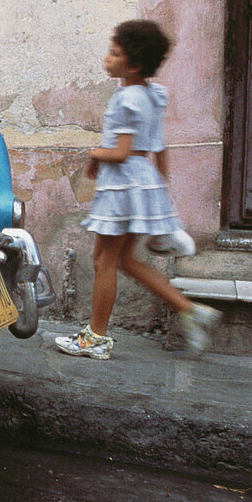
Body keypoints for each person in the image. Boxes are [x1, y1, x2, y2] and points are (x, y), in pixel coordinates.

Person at [55, 20, 221, 360]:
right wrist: (159, 189)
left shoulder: (127, 98)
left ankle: (96, 337)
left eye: (114, 53)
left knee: (105, 261)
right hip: (139, 184)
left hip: (123, 186)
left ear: (132, 64)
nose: (107, 58)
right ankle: (189, 309)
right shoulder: (151, 95)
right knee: (123, 260)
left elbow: (122, 151)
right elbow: (158, 149)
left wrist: (93, 154)